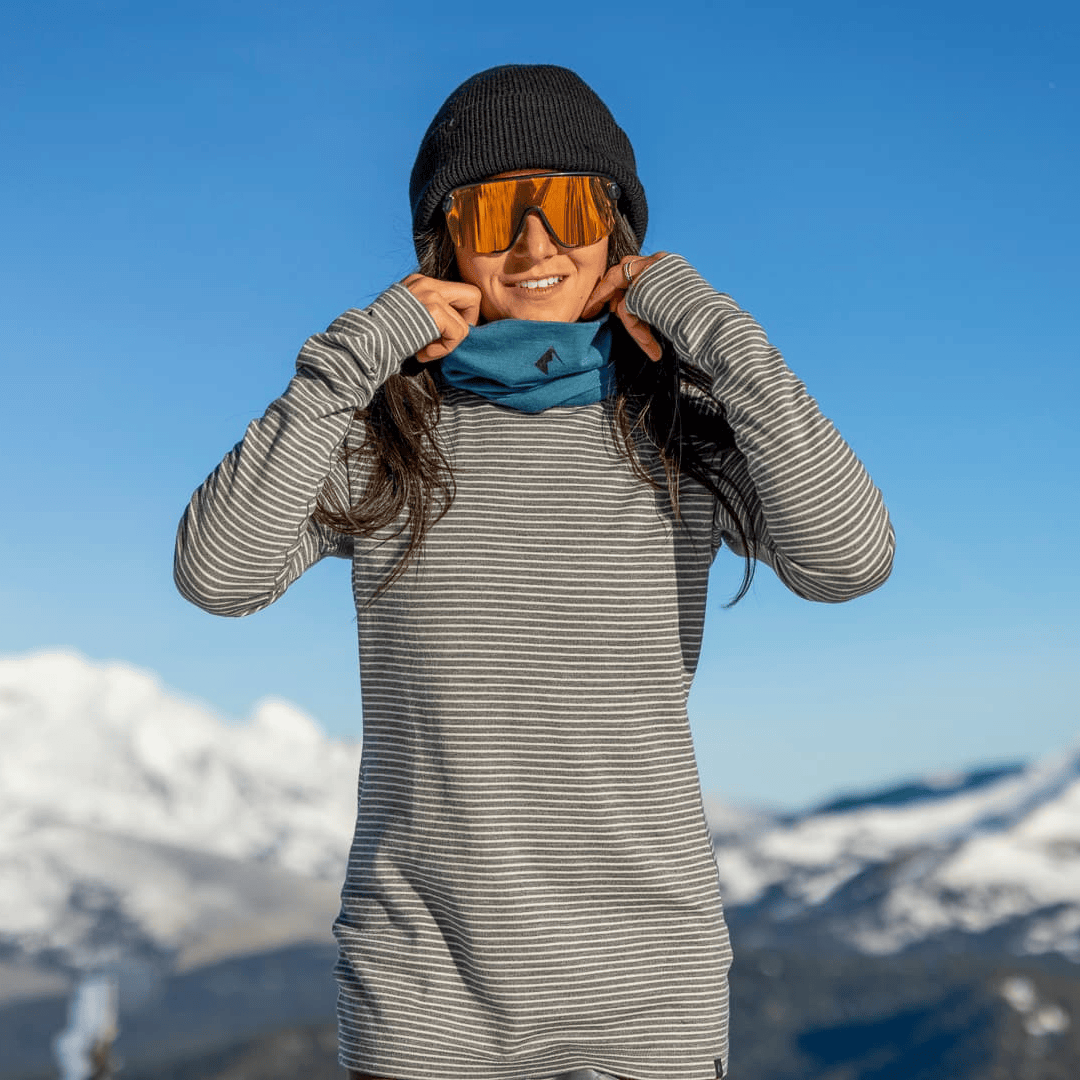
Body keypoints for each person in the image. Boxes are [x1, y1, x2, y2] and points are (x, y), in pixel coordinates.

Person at [175, 64, 894, 1080]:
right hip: (426, 993)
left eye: (566, 205)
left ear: (618, 233)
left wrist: (717, 334)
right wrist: (355, 356)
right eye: (495, 210)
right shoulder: (382, 435)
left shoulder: (682, 429)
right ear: (444, 240)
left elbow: (848, 558)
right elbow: (219, 571)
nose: (535, 243)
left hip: (651, 989)